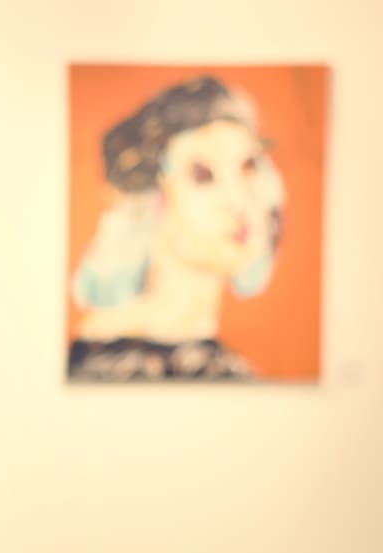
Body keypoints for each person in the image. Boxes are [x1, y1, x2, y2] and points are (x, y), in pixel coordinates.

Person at [68, 75, 285, 381]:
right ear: (153, 196)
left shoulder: (228, 369)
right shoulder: (100, 363)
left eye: (248, 167)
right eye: (202, 175)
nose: (240, 202)